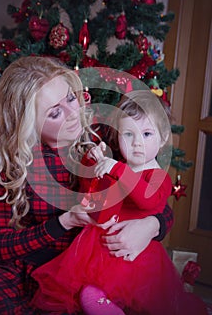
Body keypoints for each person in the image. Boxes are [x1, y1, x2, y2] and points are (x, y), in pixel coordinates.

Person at [0, 57, 173, 315]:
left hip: (93, 268)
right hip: (27, 268)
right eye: (55, 112)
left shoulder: (104, 140)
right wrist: (64, 222)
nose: (74, 114)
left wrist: (152, 226)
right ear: (27, 123)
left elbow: (156, 197)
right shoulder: (11, 164)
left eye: (71, 98)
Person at [31, 90, 207, 315]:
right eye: (128, 135)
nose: (137, 144)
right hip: (99, 251)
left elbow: (147, 199)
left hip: (138, 257)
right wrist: (92, 163)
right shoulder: (116, 166)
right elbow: (93, 194)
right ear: (117, 135)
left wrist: (117, 168)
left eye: (146, 134)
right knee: (88, 293)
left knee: (156, 304)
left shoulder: (157, 175)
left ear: (163, 138)